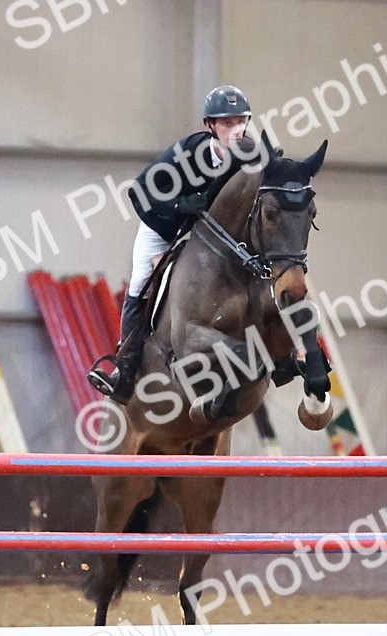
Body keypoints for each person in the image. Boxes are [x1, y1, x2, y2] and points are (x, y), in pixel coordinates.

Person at [88, 85, 253, 404]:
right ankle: (124, 366)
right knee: (140, 283)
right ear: (210, 126)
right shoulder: (185, 154)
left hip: (208, 234)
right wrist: (179, 205)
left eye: (241, 122)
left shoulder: (249, 154)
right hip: (161, 226)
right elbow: (139, 192)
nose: (236, 130)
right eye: (228, 123)